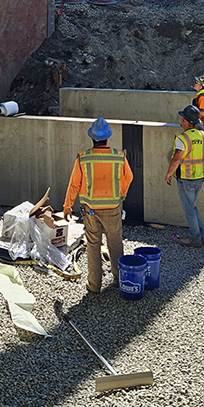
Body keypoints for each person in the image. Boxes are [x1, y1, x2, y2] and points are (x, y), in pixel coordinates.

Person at [63, 117, 133, 293]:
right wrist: (121, 195)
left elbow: (74, 184)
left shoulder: (83, 159)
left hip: (91, 211)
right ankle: (119, 280)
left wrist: (67, 207)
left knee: (93, 246)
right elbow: (129, 178)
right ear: (107, 138)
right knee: (115, 243)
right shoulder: (119, 157)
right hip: (113, 209)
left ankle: (94, 285)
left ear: (92, 138)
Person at [164, 104, 204, 247]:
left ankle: (195, 239)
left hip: (186, 178)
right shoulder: (201, 135)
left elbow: (176, 159)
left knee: (189, 209)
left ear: (186, 121)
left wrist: (169, 174)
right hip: (199, 176)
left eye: (183, 118)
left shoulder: (182, 139)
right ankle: (201, 234)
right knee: (192, 207)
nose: (181, 120)